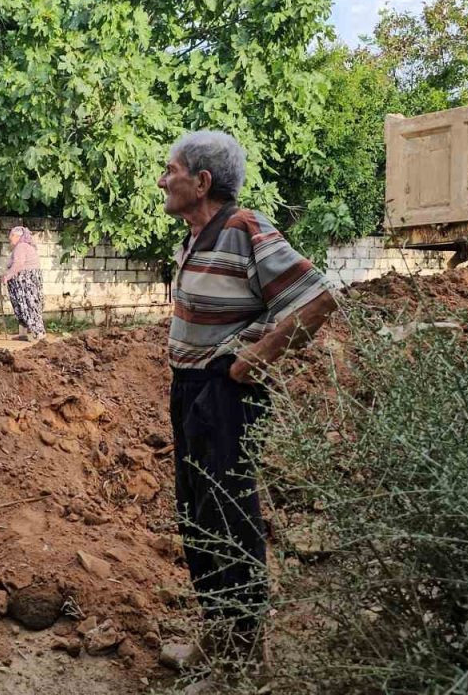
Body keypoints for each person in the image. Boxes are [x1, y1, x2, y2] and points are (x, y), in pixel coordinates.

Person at [159, 130, 336, 654]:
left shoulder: (245, 229)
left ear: (202, 181)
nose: (163, 181)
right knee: (196, 513)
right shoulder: (195, 237)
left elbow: (320, 299)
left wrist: (258, 355)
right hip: (189, 387)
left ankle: (243, 648)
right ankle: (220, 633)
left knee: (226, 512)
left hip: (224, 390)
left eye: (171, 170)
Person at [1, 226, 45, 341]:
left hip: (25, 281)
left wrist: (8, 276)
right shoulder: (23, 246)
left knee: (29, 306)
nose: (10, 238)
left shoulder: (21, 246)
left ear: (17, 236)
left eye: (12, 235)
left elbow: (18, 264)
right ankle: (23, 334)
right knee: (22, 306)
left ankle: (39, 335)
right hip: (25, 280)